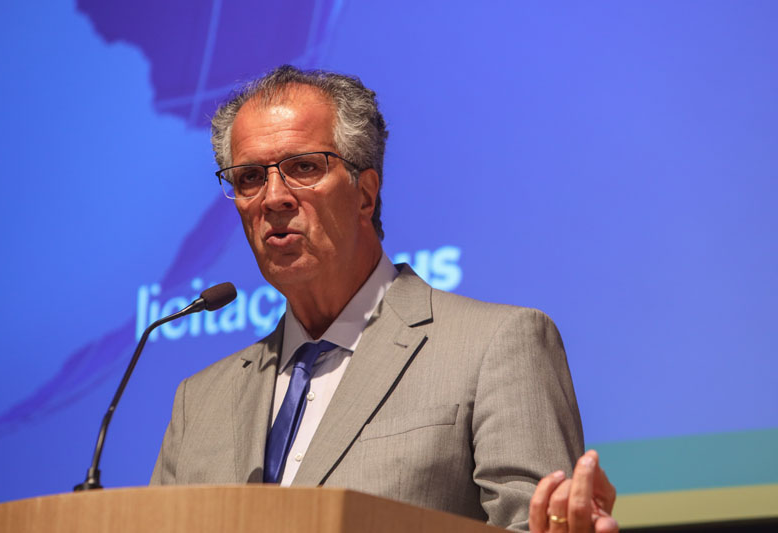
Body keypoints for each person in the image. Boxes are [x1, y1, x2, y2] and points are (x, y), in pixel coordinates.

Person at [151, 65, 618, 532]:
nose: (273, 198)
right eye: (250, 177)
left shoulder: (495, 347)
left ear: (365, 194)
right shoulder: (199, 402)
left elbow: (535, 523)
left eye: (304, 167)